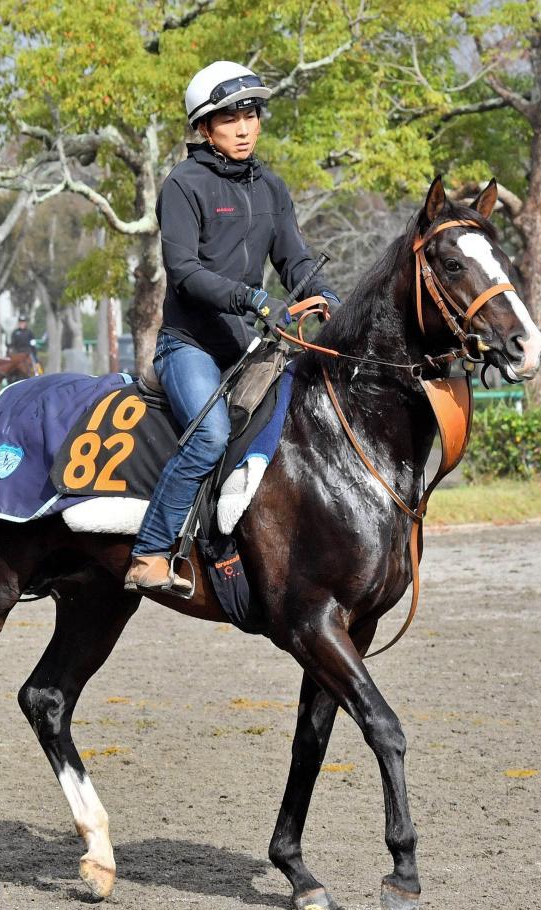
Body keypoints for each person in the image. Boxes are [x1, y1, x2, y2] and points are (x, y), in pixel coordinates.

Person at [124, 61, 340, 595]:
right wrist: (250, 297)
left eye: (250, 114)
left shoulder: (271, 186)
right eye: (229, 118)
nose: (244, 127)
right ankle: (150, 552)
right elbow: (185, 273)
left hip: (249, 347)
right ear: (204, 128)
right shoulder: (182, 185)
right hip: (190, 346)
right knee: (212, 436)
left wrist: (326, 293)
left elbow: (295, 259)